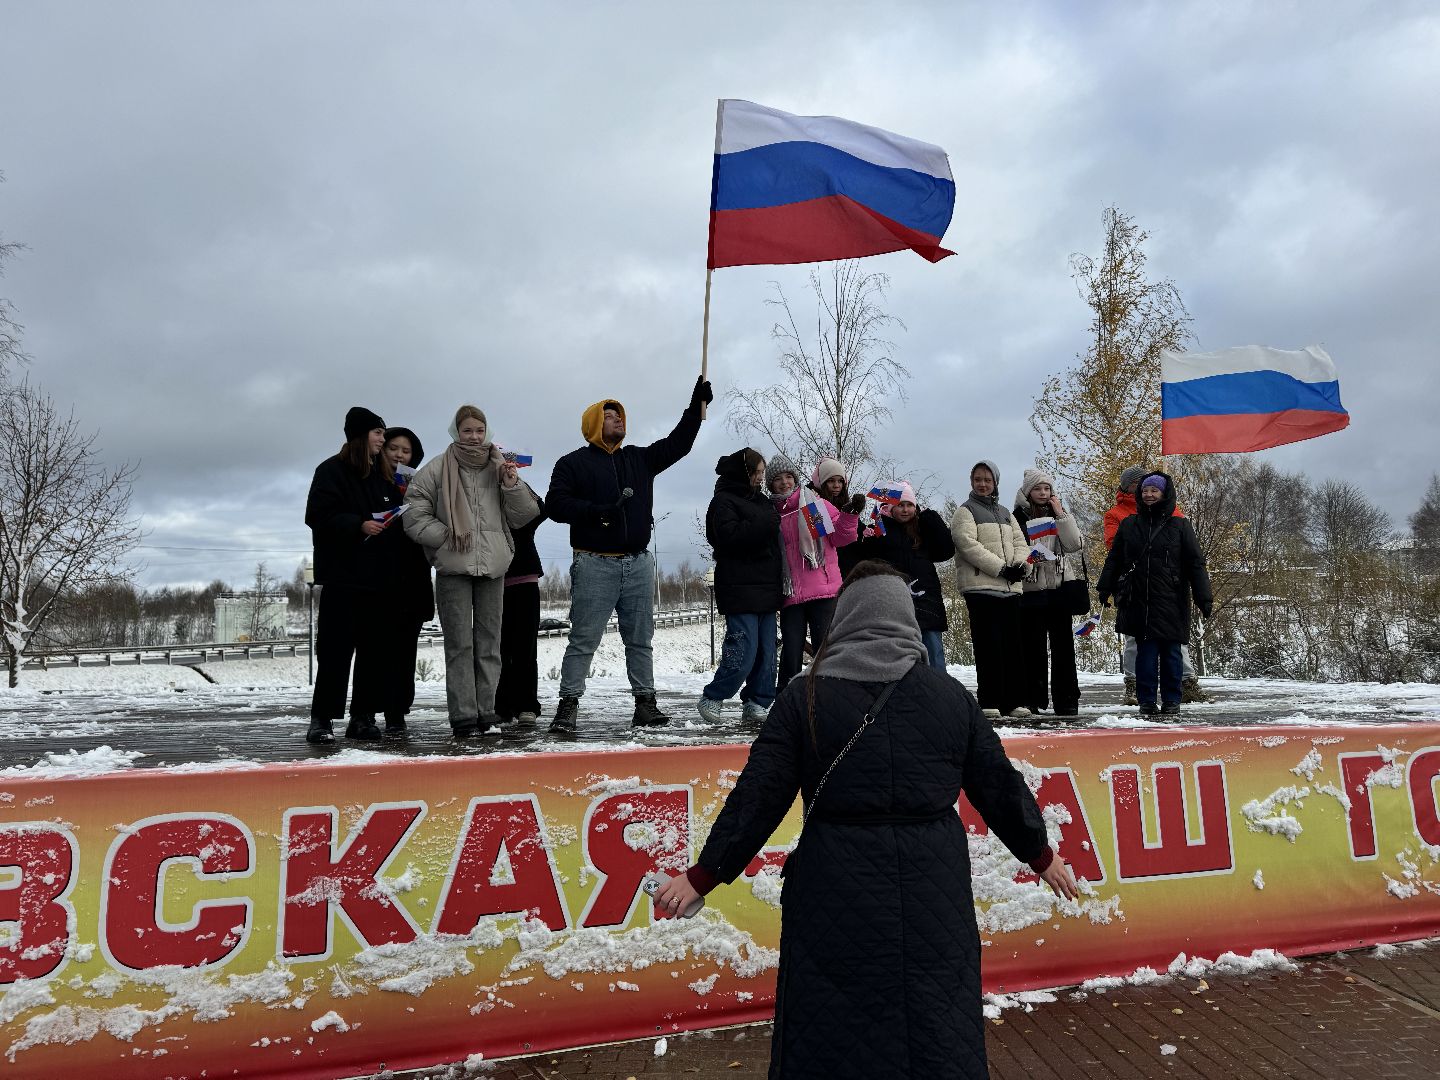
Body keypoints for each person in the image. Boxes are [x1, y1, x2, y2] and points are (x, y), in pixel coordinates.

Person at [653, 561, 1078, 1080]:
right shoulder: (949, 698)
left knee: (831, 1029)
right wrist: (1041, 854)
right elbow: (999, 786)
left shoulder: (803, 697)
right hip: (932, 887)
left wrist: (703, 877)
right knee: (935, 1021)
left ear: (844, 618)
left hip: (835, 884)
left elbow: (756, 800)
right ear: (906, 618)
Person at [545, 376, 713, 736]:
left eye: (619, 415)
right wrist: (596, 511)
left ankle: (645, 705)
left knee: (640, 638)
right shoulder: (572, 464)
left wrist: (695, 409)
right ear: (593, 423)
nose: (618, 419)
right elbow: (555, 505)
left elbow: (677, 444)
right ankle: (568, 706)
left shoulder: (639, 458)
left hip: (638, 563)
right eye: (609, 415)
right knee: (584, 639)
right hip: (594, 563)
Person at [403, 405, 540, 736]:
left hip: (493, 566)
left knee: (490, 642)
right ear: (456, 432)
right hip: (453, 567)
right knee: (460, 643)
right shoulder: (436, 469)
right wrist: (445, 537)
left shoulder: (500, 467)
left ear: (487, 432)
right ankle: (463, 713)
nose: (474, 436)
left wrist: (512, 485)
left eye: (480, 430)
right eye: (467, 430)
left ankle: (486, 709)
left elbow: (525, 515)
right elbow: (413, 512)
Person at [303, 406, 402, 744]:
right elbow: (317, 514)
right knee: (334, 652)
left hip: (379, 582)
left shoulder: (383, 476)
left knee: (373, 653)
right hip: (342, 579)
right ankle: (322, 720)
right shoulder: (330, 471)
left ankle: (363, 717)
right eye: (378, 433)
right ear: (361, 435)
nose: (383, 440)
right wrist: (357, 524)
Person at [1097, 472, 1213, 715]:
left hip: (1172, 598)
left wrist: (1204, 596)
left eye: (1154, 490)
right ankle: (1146, 701)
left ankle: (1172, 701)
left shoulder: (1180, 525)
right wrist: (1104, 587)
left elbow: (1195, 563)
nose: (1149, 495)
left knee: (1172, 653)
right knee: (1145, 655)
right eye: (1145, 490)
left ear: (1164, 493)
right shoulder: (1129, 524)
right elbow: (1115, 558)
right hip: (1140, 598)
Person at [698, 448, 783, 723]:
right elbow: (727, 537)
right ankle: (713, 696)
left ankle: (757, 701)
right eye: (756, 472)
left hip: (768, 587)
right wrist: (766, 524)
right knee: (743, 650)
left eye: (761, 473)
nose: (760, 478)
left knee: (767, 653)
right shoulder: (723, 501)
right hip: (739, 587)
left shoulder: (762, 502)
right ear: (743, 472)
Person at [769, 455, 863, 692]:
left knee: (826, 648)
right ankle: (786, 700)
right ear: (770, 484)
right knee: (791, 651)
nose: (784, 483)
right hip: (790, 595)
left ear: (796, 479)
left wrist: (849, 517)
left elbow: (839, 538)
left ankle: (832, 693)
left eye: (789, 477)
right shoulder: (771, 514)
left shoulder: (811, 507)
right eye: (778, 479)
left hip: (822, 589)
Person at [950, 460, 1031, 718]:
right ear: (972, 482)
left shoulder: (1006, 513)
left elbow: (1020, 542)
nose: (982, 484)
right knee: (989, 646)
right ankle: (989, 700)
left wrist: (1020, 566)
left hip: (1009, 589)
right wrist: (1000, 568)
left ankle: (1014, 701)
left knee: (1013, 647)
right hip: (981, 588)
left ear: (995, 482)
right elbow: (967, 545)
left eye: (987, 480)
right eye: (978, 480)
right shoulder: (965, 511)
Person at [848, 481, 954, 670]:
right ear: (890, 507)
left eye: (910, 505)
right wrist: (861, 530)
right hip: (895, 604)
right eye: (900, 505)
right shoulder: (880, 531)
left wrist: (931, 517)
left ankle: (940, 694)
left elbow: (946, 550)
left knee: (934, 655)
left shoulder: (923, 530)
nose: (905, 510)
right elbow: (862, 557)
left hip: (927, 602)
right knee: (900, 658)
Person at [376, 426, 437, 736]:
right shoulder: (368, 482)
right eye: (393, 448)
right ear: (382, 450)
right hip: (375, 580)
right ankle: (367, 708)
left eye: (406, 451)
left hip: (411, 581)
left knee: (404, 651)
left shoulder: (420, 486)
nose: (399, 455)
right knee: (376, 650)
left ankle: (397, 711)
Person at [1011, 467, 1083, 716]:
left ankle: (1067, 699)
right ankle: (1033, 698)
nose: (1043, 493)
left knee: (1063, 646)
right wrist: (1031, 557)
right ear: (1027, 491)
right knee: (1033, 647)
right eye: (1038, 488)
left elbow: (1074, 545)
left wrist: (1061, 514)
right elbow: (1013, 549)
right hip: (1031, 588)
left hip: (1059, 587)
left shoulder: (1059, 515)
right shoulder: (1016, 516)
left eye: (1047, 488)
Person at [495, 486, 546, 726]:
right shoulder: (488, 504)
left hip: (525, 580)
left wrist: (515, 485)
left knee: (525, 647)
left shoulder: (523, 507)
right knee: (499, 648)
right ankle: (501, 705)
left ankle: (527, 706)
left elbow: (541, 510)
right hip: (492, 583)